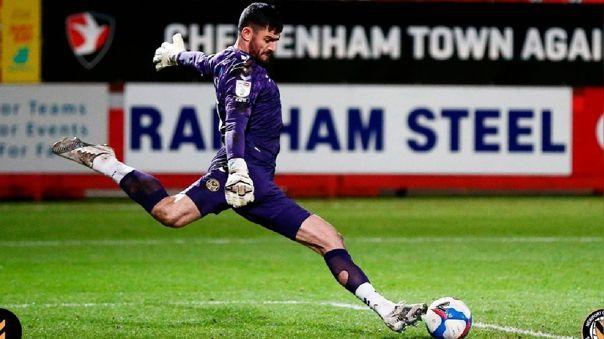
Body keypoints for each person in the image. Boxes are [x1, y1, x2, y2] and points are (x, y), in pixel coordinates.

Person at [52, 2, 426, 333]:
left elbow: (202, 62)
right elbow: (235, 123)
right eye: (269, 38)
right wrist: (239, 171)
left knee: (326, 239)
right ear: (248, 33)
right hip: (243, 175)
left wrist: (176, 56)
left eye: (276, 39)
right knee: (174, 214)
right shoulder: (245, 73)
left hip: (250, 177)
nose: (273, 47)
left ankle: (386, 308)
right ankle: (106, 162)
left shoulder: (224, 60)